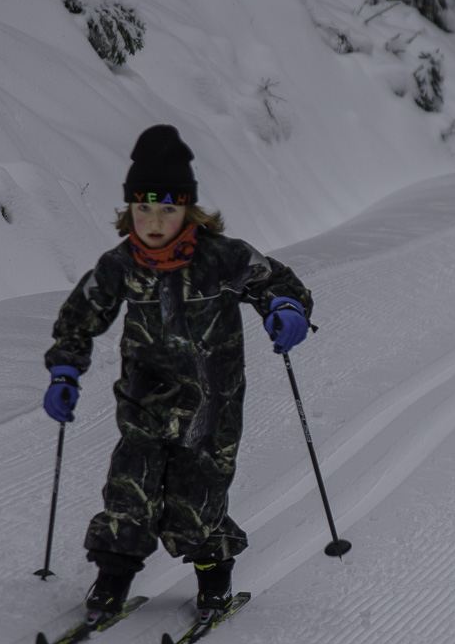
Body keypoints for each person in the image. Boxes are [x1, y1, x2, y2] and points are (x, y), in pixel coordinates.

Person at [41, 124, 314, 618]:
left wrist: (285, 309)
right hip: (144, 401)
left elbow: (276, 282)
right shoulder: (122, 264)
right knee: (129, 491)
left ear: (188, 208)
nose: (154, 219)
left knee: (196, 501)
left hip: (212, 406)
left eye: (167, 207)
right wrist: (65, 371)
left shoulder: (222, 257)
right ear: (129, 210)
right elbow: (81, 316)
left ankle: (214, 581)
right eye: (143, 207)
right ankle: (112, 580)